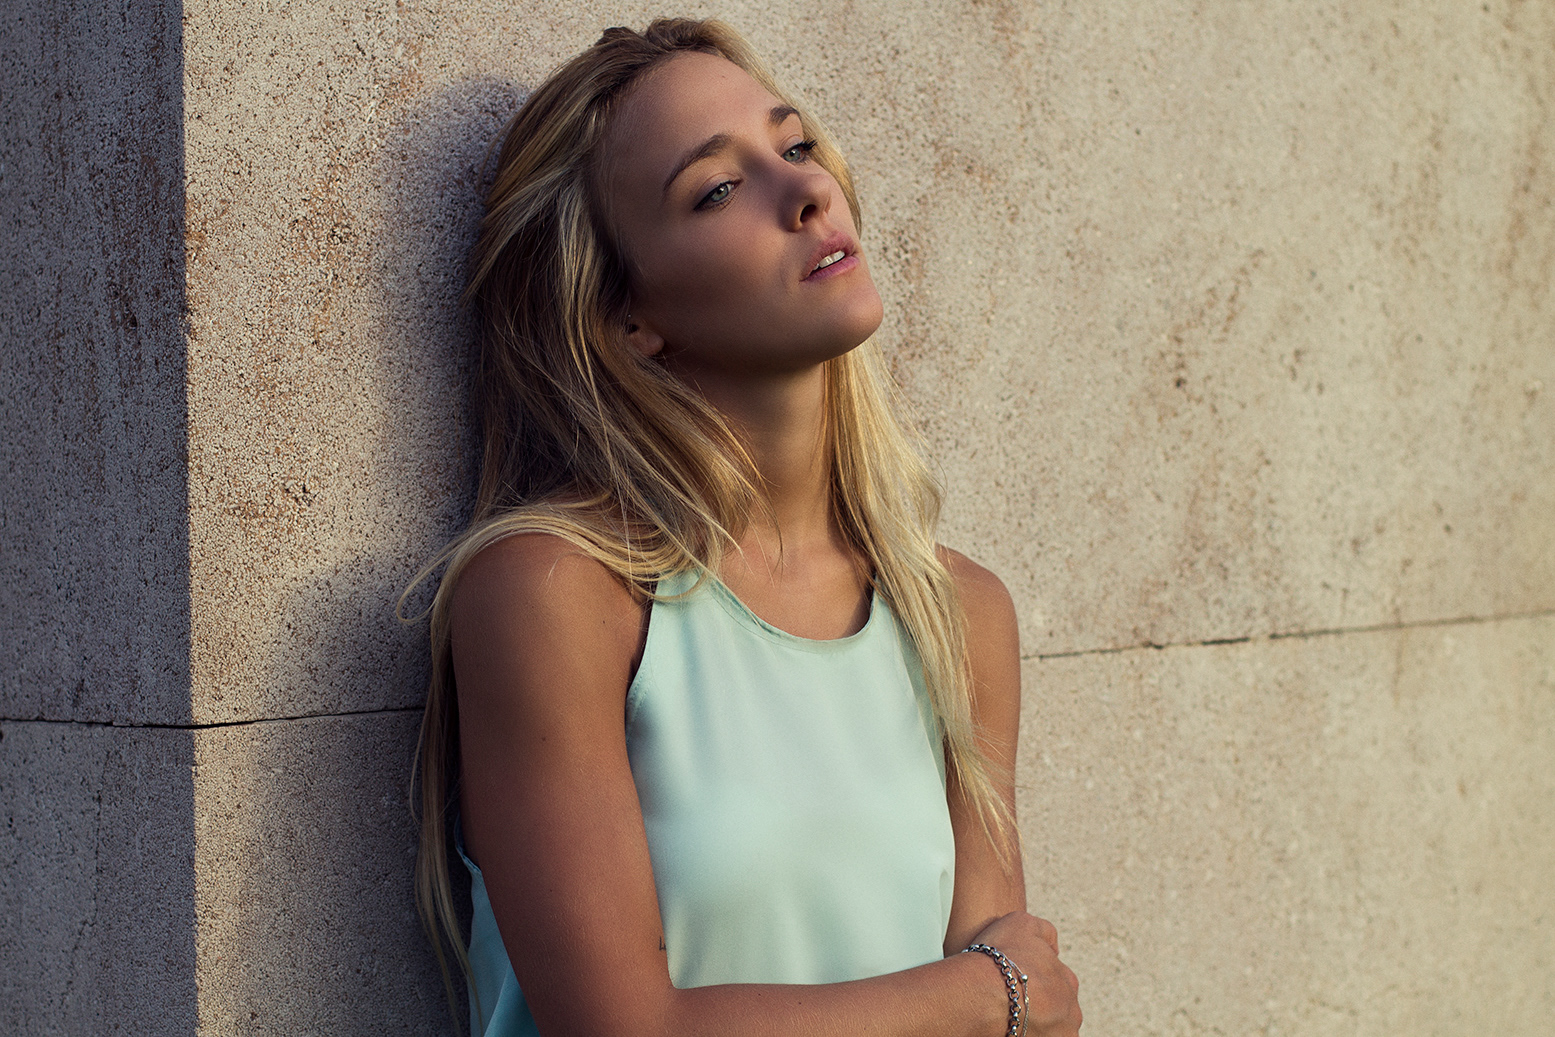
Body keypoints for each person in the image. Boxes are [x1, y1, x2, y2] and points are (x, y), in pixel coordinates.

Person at [407, 17, 1082, 1037]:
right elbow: (626, 1027)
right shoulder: (555, 593)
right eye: (717, 189)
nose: (804, 190)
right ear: (626, 318)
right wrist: (981, 992)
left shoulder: (957, 612)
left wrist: (997, 997)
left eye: (796, 144)